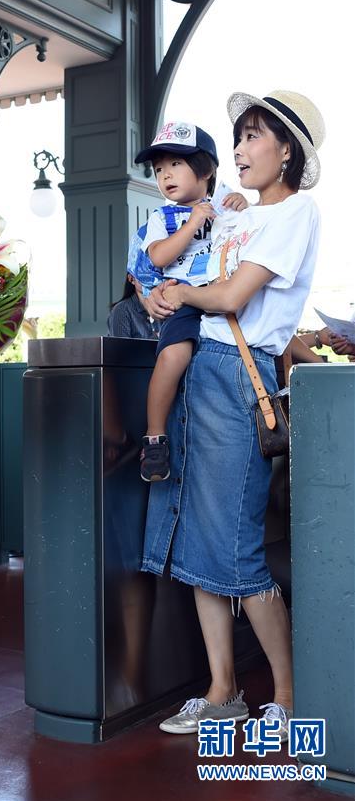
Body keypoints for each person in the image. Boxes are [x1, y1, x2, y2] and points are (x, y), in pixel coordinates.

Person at [141, 90, 325, 741]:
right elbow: (195, 259)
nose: (241, 149)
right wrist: (173, 282)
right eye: (238, 137)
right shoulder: (236, 213)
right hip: (199, 377)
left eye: (254, 137)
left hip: (231, 379)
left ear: (287, 151)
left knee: (239, 550)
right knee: (197, 546)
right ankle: (221, 691)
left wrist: (179, 291)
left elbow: (233, 296)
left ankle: (285, 692)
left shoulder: (297, 212)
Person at [131, 123, 247, 482]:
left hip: (225, 298)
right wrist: (191, 222)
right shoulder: (160, 218)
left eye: (175, 164)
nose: (165, 175)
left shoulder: (227, 205)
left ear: (206, 169)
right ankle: (154, 436)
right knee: (173, 354)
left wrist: (243, 204)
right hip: (183, 299)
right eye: (159, 169)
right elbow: (159, 258)